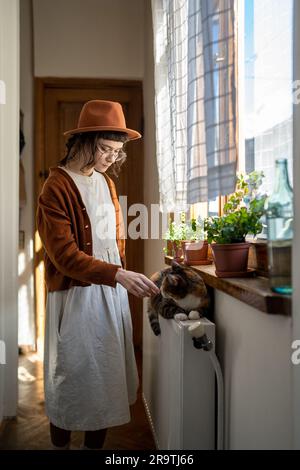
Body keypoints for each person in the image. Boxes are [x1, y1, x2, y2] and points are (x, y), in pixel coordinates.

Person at [36, 100, 160, 450]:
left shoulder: (105, 183)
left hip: (110, 291)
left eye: (117, 152)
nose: (111, 158)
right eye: (105, 149)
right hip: (76, 296)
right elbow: (65, 257)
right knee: (73, 379)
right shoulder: (56, 188)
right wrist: (118, 275)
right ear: (83, 142)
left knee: (106, 377)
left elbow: (112, 243)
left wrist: (122, 275)